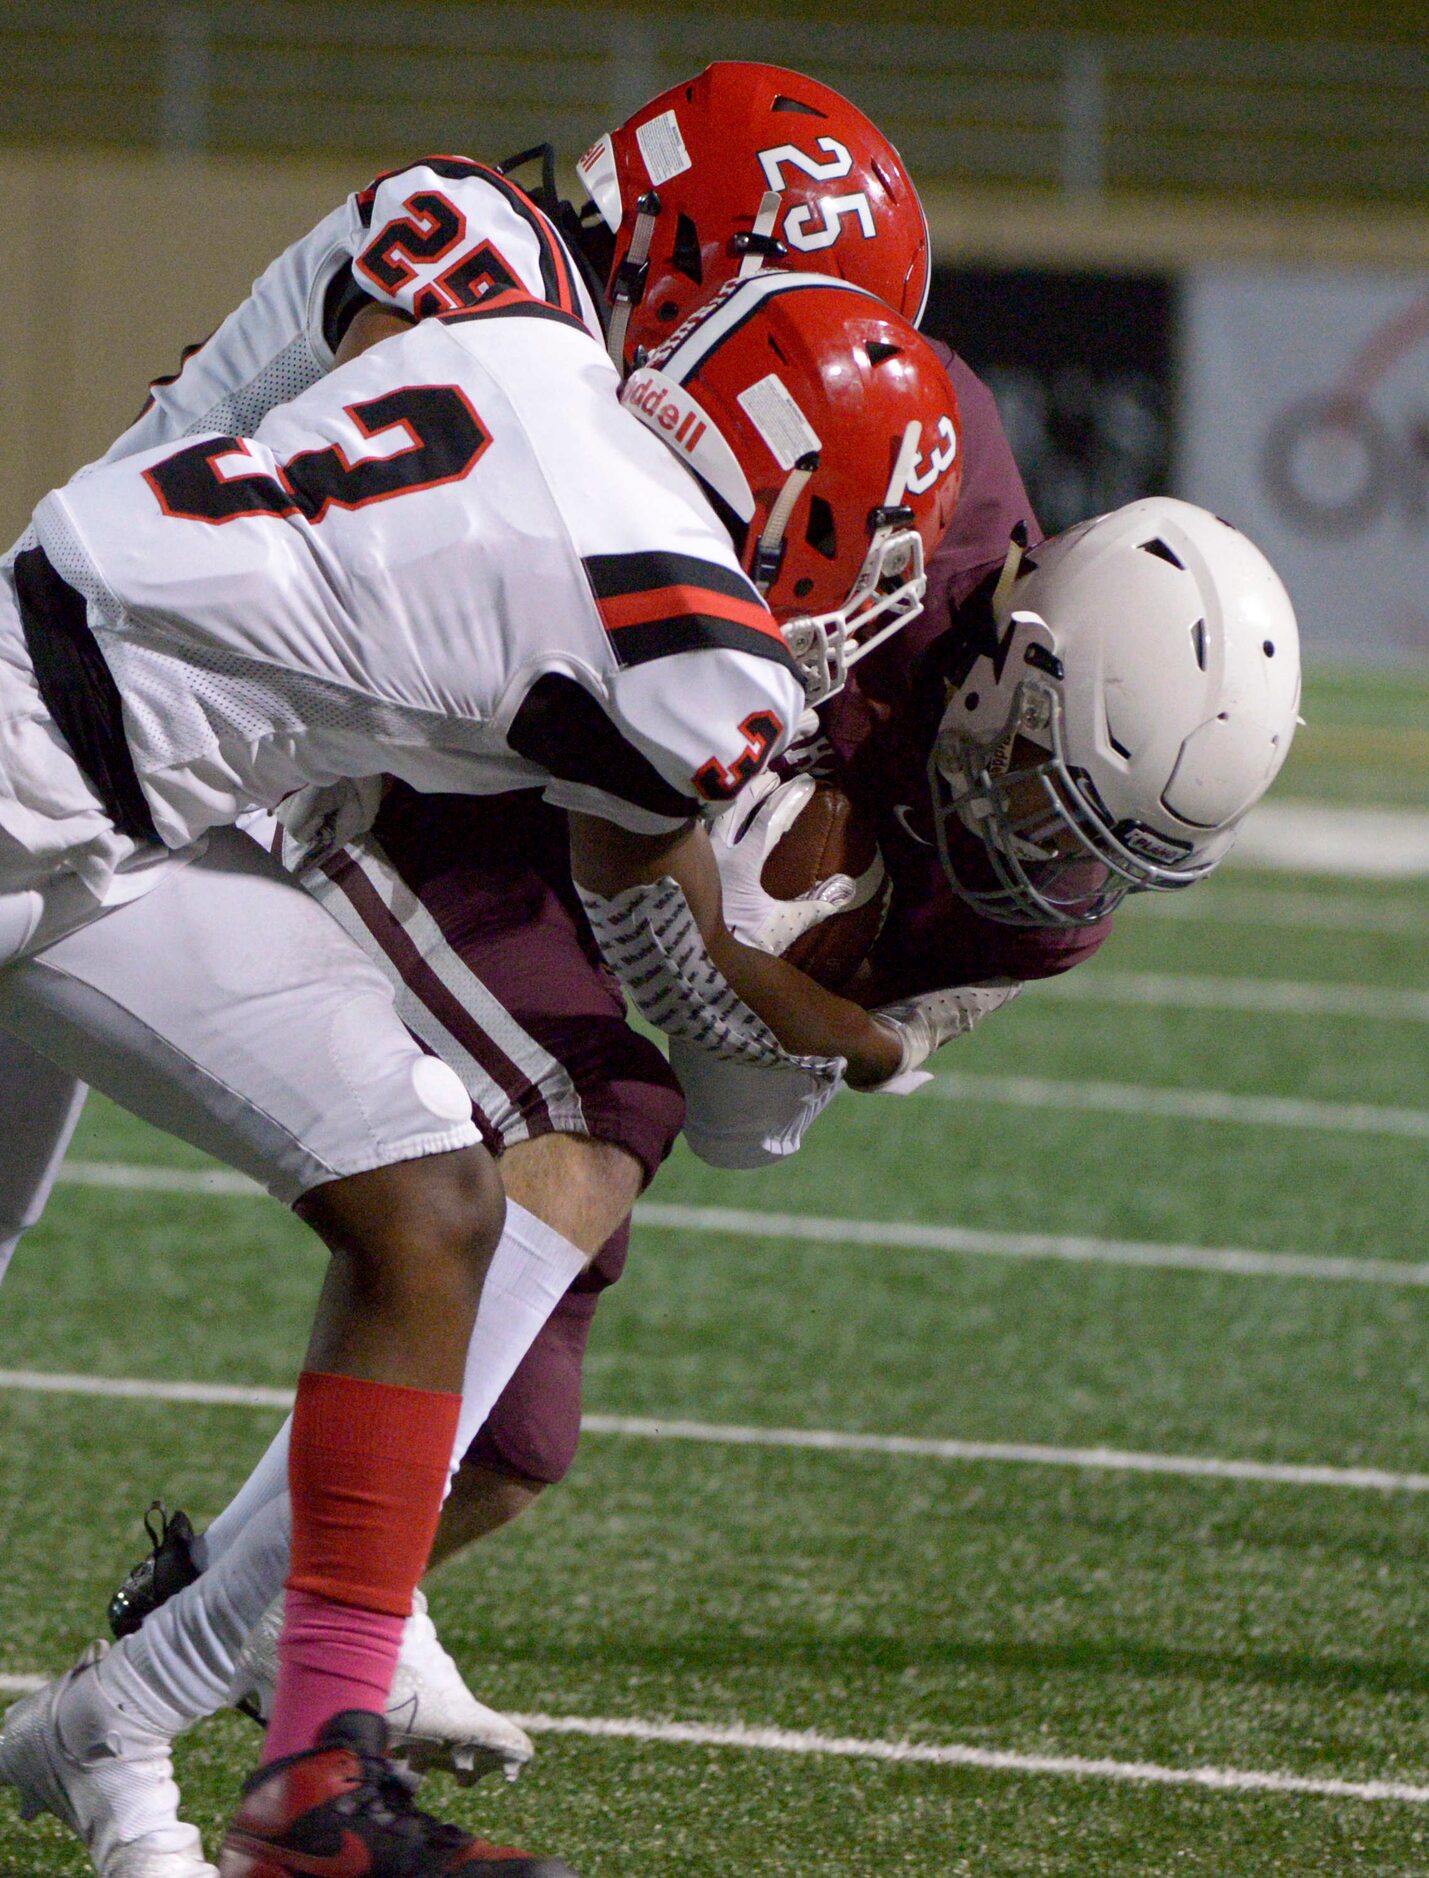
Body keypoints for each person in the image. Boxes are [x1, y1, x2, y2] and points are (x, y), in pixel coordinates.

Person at [0, 222, 965, 1878]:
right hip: (43, 770)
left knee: (430, 1199)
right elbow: (652, 902)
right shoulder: (696, 649)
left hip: (122, 808)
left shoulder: (526, 347)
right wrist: (847, 1041)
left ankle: (317, 1779)